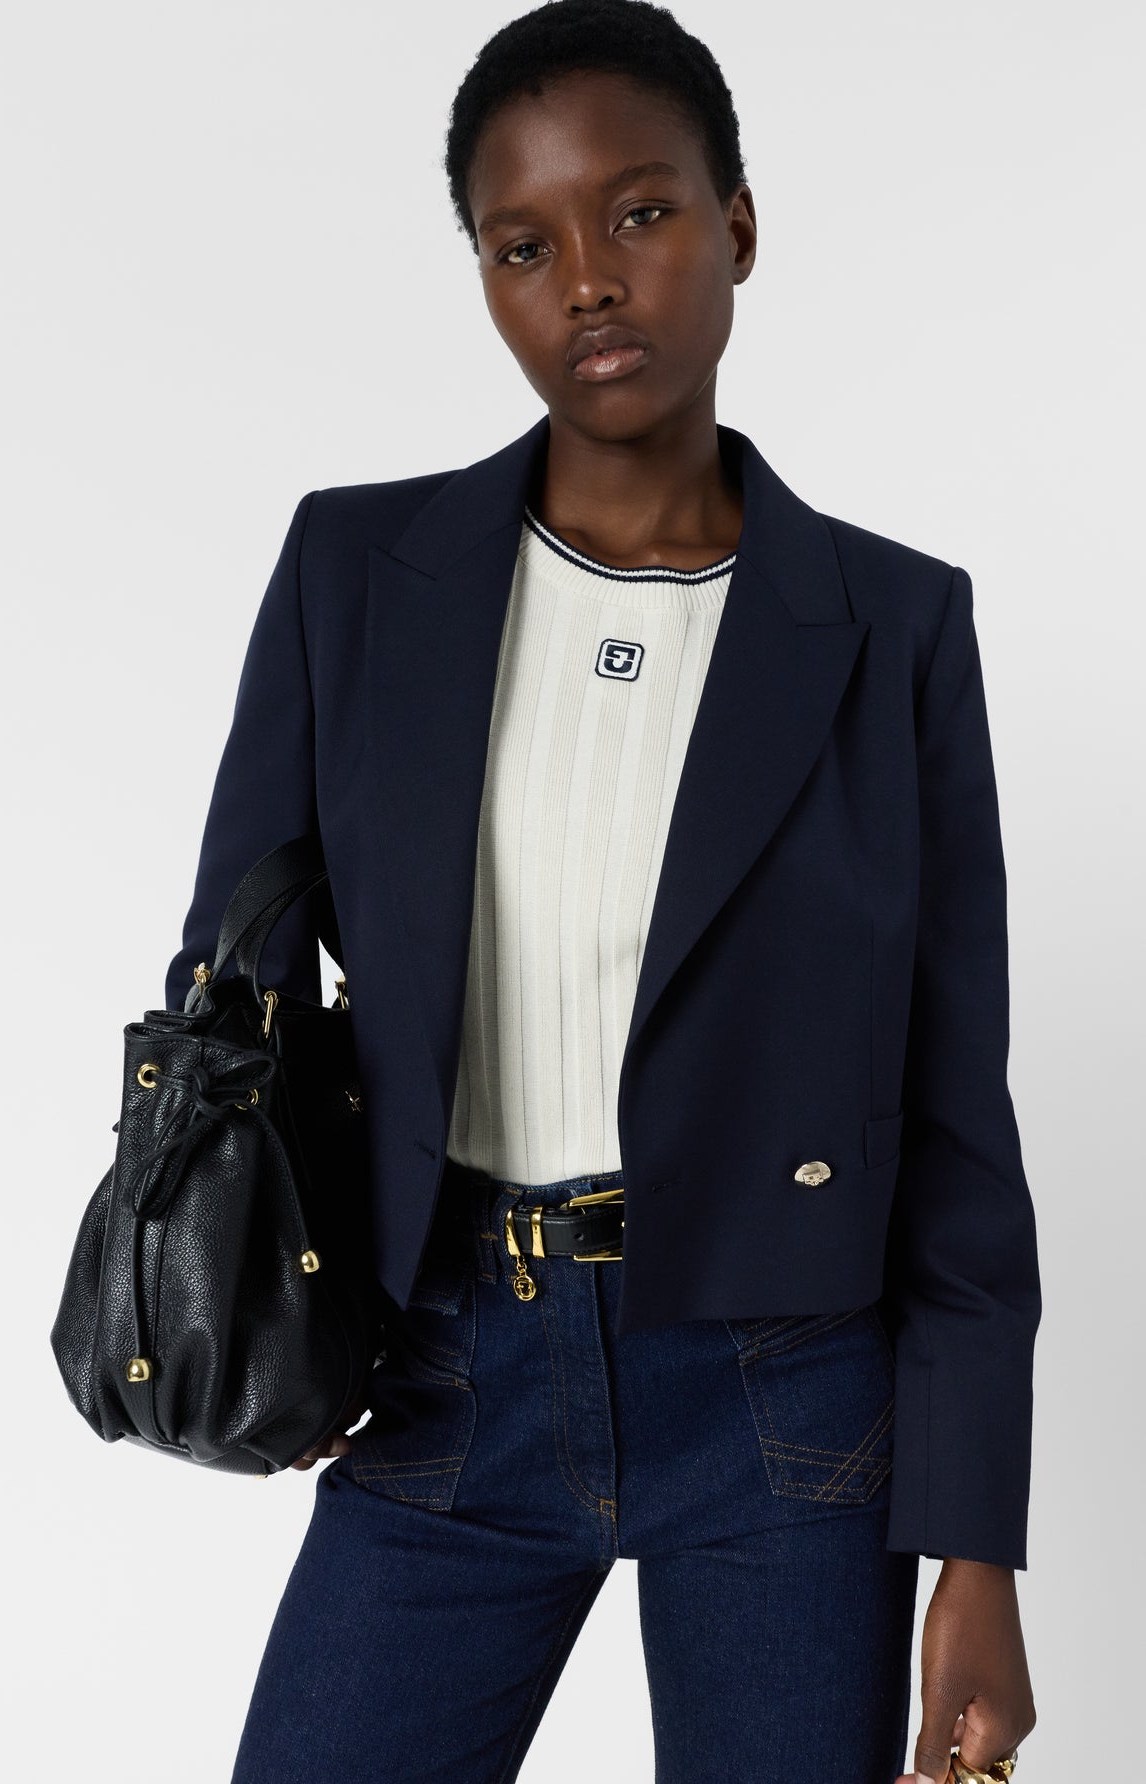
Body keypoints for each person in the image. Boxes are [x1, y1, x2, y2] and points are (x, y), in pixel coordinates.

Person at [164, 5, 1041, 1780]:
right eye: (522, 244)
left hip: (784, 1398)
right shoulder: (355, 573)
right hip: (445, 1370)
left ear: (736, 223)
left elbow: (954, 1109)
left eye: (638, 211)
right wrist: (267, 1306)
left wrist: (975, 1547)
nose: (586, 279)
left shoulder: (891, 627)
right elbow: (227, 994)